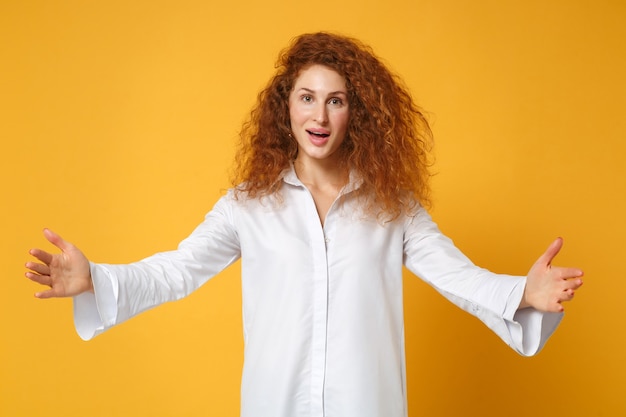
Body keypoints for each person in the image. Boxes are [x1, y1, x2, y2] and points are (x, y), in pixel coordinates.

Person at [24, 32, 584, 417]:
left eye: (336, 101)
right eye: (308, 98)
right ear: (284, 107)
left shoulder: (394, 205)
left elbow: (459, 277)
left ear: (354, 112)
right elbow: (177, 271)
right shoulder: (247, 205)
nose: (320, 117)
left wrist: (522, 294)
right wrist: (96, 277)